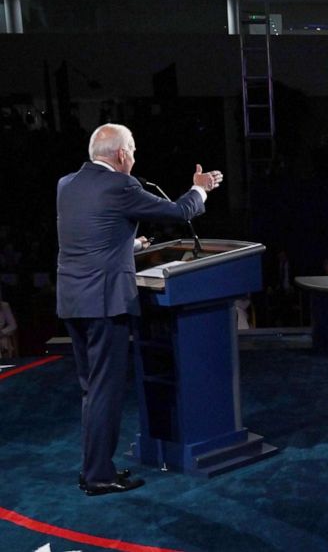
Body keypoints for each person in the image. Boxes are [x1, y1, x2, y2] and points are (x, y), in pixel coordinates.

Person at [57, 123, 223, 495]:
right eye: (132, 150)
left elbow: (88, 236)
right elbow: (180, 212)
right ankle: (99, 476)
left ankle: (93, 469)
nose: (133, 157)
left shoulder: (66, 185)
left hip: (72, 300)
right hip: (104, 302)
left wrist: (126, 246)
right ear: (120, 155)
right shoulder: (121, 185)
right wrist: (201, 187)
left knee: (91, 390)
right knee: (105, 392)